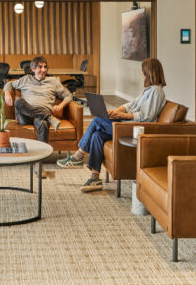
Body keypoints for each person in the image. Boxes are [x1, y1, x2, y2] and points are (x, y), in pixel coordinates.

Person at [57, 57, 167, 193]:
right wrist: (118, 110)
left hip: (135, 129)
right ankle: (95, 178)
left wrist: (124, 116)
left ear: (150, 73)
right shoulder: (149, 90)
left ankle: (79, 156)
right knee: (97, 135)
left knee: (97, 121)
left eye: (142, 71)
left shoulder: (156, 91)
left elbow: (147, 117)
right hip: (128, 124)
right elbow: (131, 104)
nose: (141, 74)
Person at [3, 56, 72, 143]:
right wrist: (7, 93)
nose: (43, 70)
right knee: (18, 102)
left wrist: (61, 105)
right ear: (33, 69)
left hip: (41, 117)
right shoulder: (26, 79)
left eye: (45, 67)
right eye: (40, 67)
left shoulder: (53, 81)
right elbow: (9, 84)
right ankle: (49, 117)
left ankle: (43, 155)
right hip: (25, 116)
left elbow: (68, 95)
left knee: (43, 124)